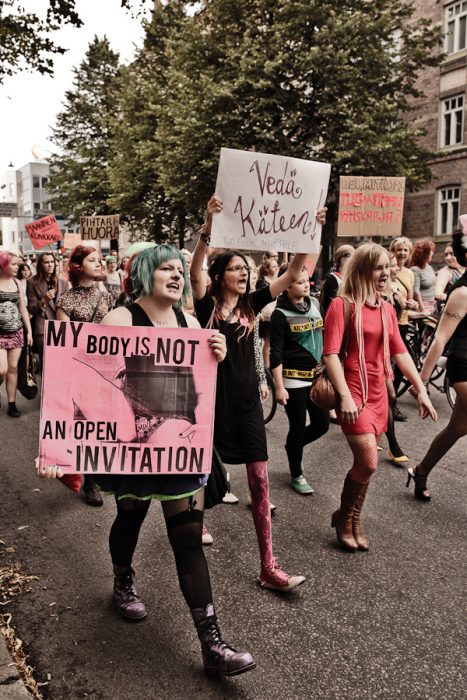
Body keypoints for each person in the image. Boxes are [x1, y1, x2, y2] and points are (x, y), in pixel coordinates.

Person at [39, 244, 256, 677]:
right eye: (167, 270)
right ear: (144, 274)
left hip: (177, 447)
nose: (177, 276)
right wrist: (59, 451)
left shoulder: (190, 322)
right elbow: (84, 378)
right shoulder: (120, 319)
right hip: (133, 448)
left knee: (188, 539)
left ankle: (212, 644)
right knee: (131, 517)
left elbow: (206, 393)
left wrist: (218, 355)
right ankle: (122, 579)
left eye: (180, 270)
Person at [190, 195, 326, 591]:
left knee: (260, 481)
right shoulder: (206, 307)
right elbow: (195, 268)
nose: (243, 274)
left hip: (247, 405)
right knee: (200, 473)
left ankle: (269, 565)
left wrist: (310, 232)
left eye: (245, 269)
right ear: (220, 275)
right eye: (235, 269)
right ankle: (196, 522)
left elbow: (291, 273)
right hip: (211, 403)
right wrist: (207, 226)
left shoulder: (252, 304)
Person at [323, 243, 437, 552]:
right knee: (369, 462)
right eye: (379, 267)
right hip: (354, 393)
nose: (386, 272)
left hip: (378, 395)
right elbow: (331, 354)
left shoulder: (387, 308)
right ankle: (344, 516)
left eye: (388, 266)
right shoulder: (342, 305)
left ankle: (352, 521)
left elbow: (400, 352)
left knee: (365, 465)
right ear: (362, 270)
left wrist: (421, 389)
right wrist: (344, 397)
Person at [407, 230, 467, 500]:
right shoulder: (462, 292)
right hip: (464, 366)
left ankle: (420, 471)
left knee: (457, 428)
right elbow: (440, 338)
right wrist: (421, 381)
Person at [55, 245, 111, 506]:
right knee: (85, 424)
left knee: (103, 423)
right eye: (92, 260)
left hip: (106, 369)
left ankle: (100, 472)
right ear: (78, 266)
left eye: (99, 260)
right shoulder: (65, 300)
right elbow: (62, 343)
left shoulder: (108, 297)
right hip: (80, 370)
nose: (99, 263)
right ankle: (89, 481)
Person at [270, 265, 329, 494]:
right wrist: (279, 386)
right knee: (297, 426)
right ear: (286, 286)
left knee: (322, 425)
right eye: (300, 281)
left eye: (307, 280)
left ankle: (293, 447)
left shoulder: (314, 304)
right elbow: (276, 352)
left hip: (316, 377)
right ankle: (297, 473)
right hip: (293, 380)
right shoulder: (279, 314)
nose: (306, 284)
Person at [389, 236, 418, 419]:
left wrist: (413, 303)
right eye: (399, 249)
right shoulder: (388, 269)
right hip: (390, 321)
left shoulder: (410, 273)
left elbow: (411, 295)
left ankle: (392, 402)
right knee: (390, 365)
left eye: (405, 250)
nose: (402, 253)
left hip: (403, 322)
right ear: (393, 250)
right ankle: (387, 403)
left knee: (400, 366)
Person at [0, 251, 33, 417]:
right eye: (13, 264)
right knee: (2, 370)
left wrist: (29, 332)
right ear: (3, 264)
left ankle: (12, 404)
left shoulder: (17, 282)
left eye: (17, 264)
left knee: (13, 368)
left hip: (16, 331)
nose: (17, 267)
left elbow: (23, 309)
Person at [27, 252, 70, 363]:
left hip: (60, 326)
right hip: (43, 326)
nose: (50, 265)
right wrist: (43, 300)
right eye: (46, 262)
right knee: (46, 363)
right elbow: (31, 308)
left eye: (52, 262)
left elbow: (68, 306)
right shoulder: (32, 282)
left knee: (60, 362)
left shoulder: (63, 282)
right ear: (40, 265)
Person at [319, 245, 355, 317]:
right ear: (340, 259)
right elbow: (329, 305)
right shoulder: (333, 278)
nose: (352, 258)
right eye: (348, 255)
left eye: (354, 255)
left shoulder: (354, 277)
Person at [410, 238, 436, 316]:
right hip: (424, 306)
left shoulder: (429, 267)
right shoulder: (415, 270)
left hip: (433, 304)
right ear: (424, 254)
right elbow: (416, 291)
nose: (432, 253)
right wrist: (422, 309)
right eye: (430, 251)